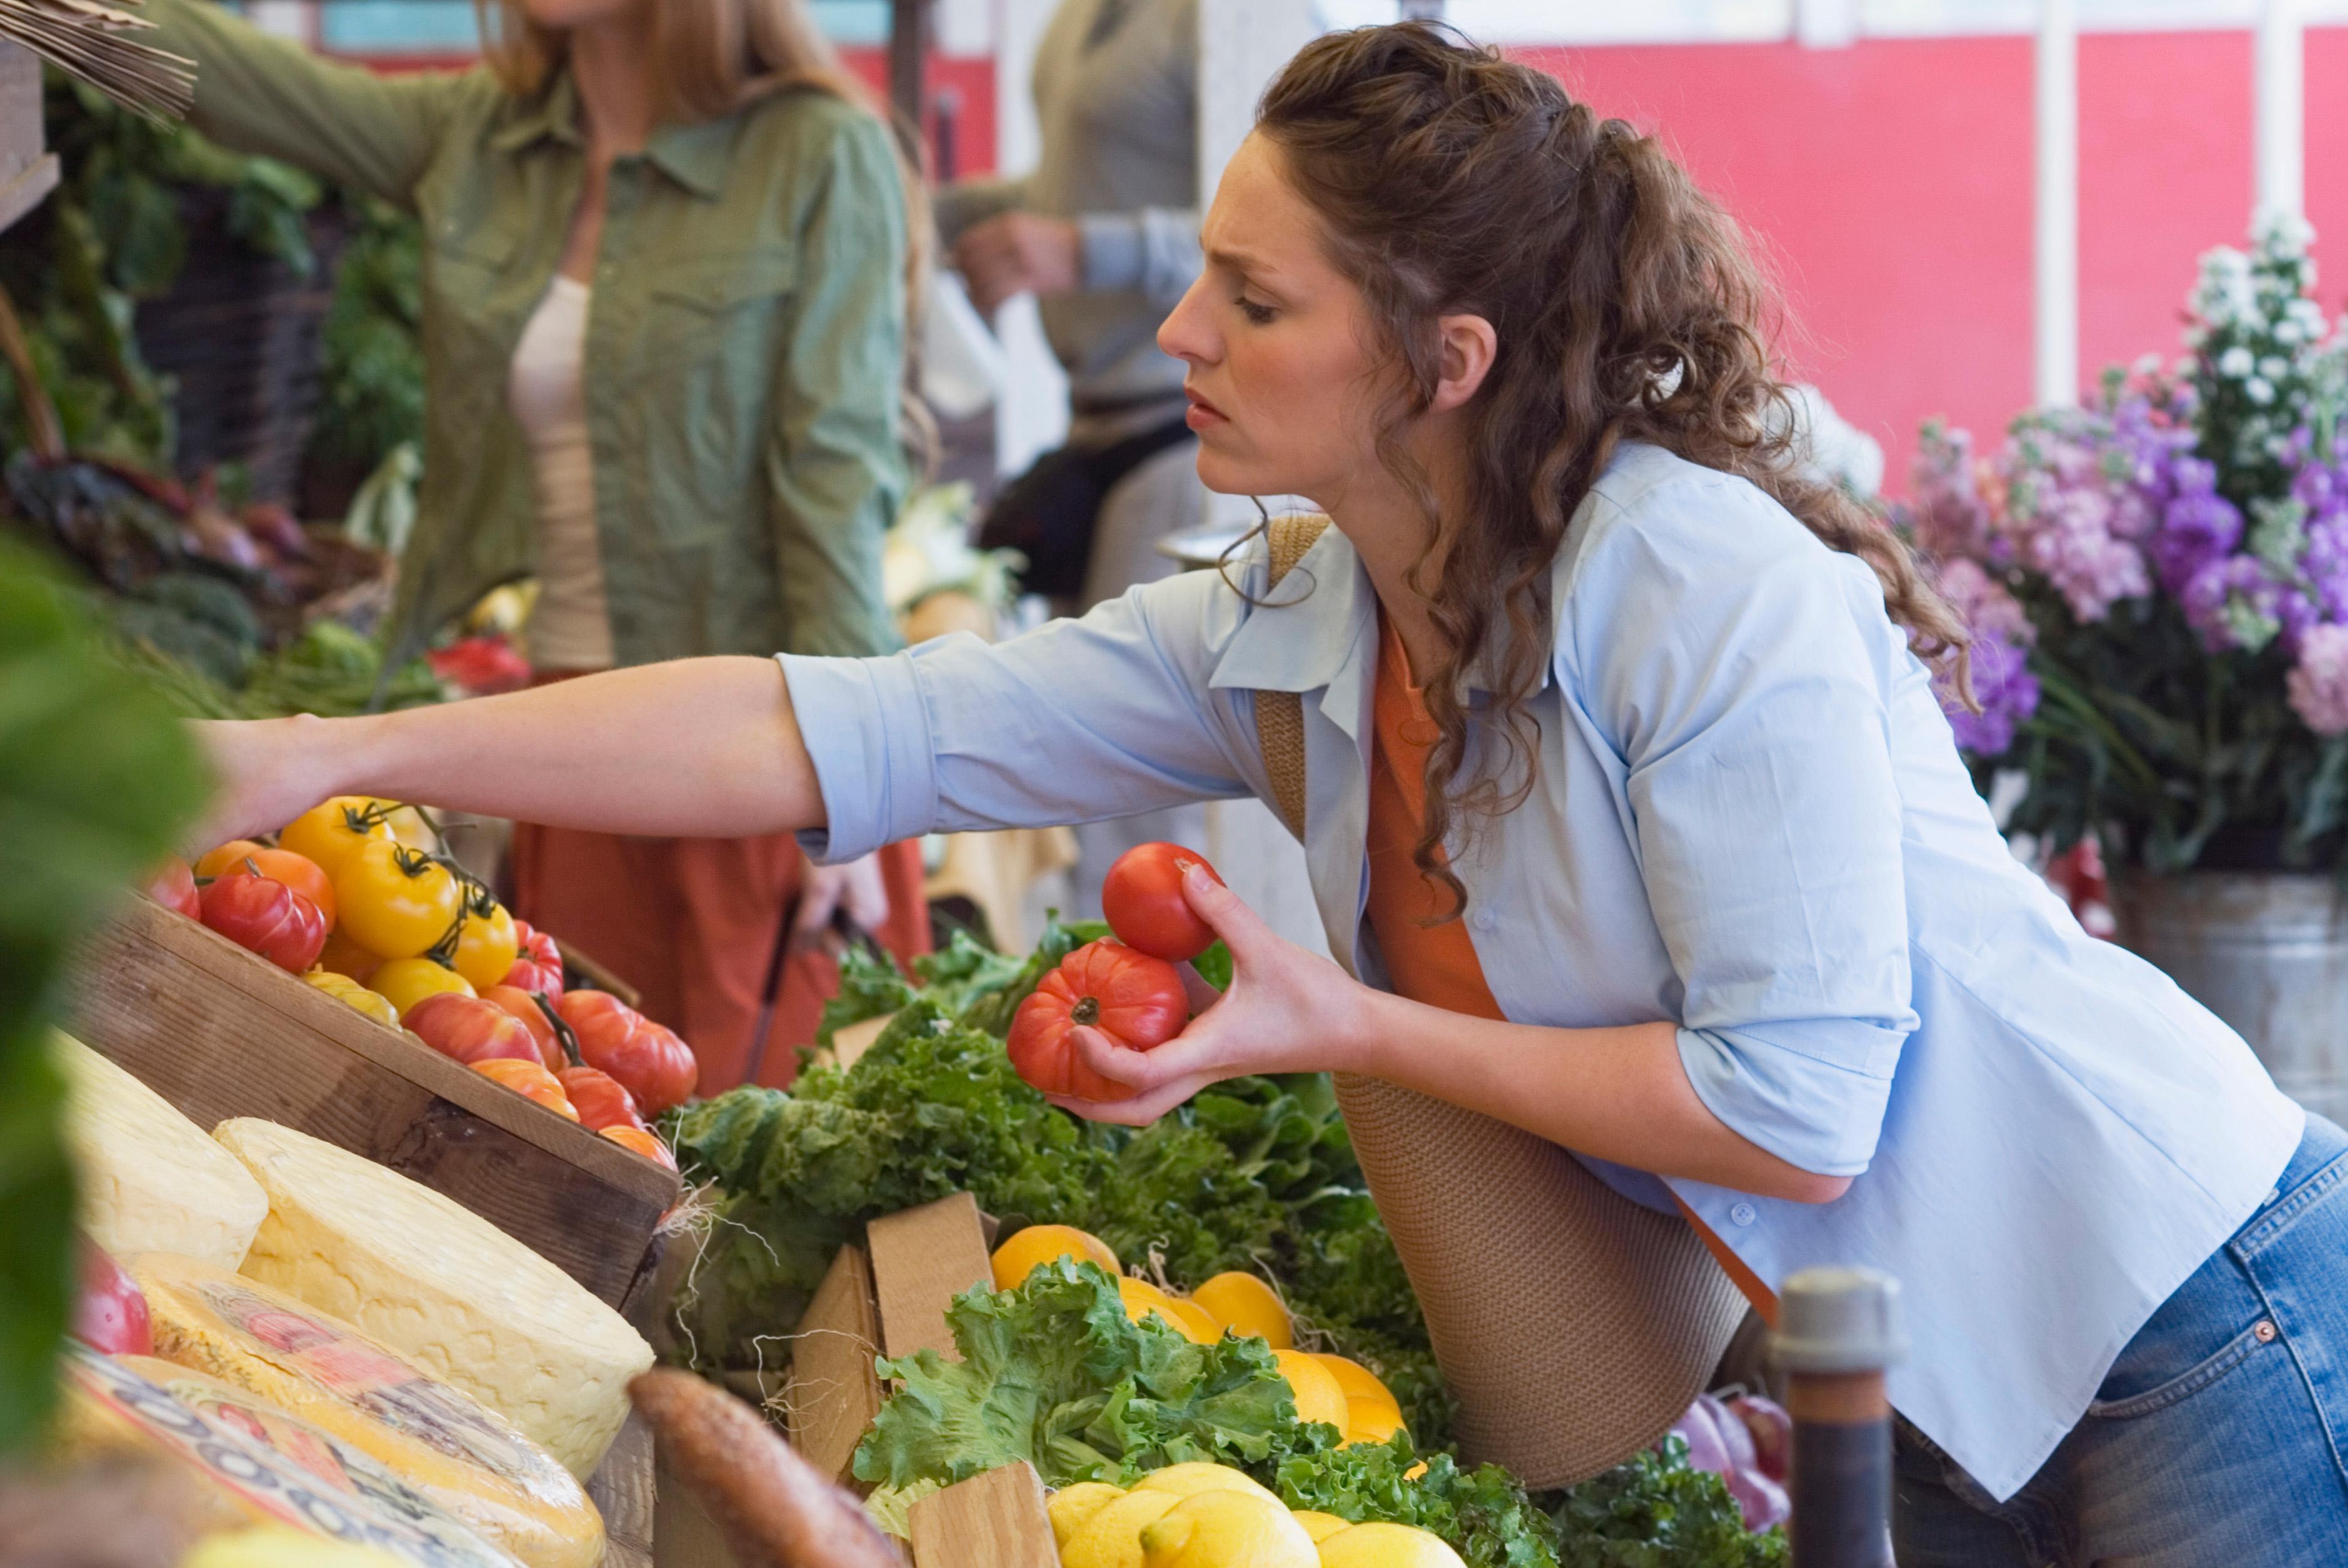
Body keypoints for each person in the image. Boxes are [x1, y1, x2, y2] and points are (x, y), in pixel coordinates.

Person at [195, 24, 2347, 1561]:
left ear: (1445, 359)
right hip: (1910, 1382)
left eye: (1254, 293)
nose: (1186, 328)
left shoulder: (1690, 579)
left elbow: (1797, 1101)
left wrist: (1339, 1022)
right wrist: (346, 752)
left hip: (2182, 1306)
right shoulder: (1310, 620)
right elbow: (842, 726)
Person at [140, 0, 935, 1086]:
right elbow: (238, 81)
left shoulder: (816, 152)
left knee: (773, 1153)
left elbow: (837, 481)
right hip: (567, 749)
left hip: (763, 746)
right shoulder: (482, 135)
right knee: (589, 1131)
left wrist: (858, 785)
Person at [934, 0, 1210, 914]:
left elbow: (1292, 218)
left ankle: (1148, 1033)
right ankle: (1091, 1018)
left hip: (1183, 430)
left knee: (1134, 803)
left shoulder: (1233, 16)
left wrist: (1084, 250)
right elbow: (1075, 191)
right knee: (1084, 773)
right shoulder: (1078, 19)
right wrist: (942, 214)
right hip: (1094, 417)